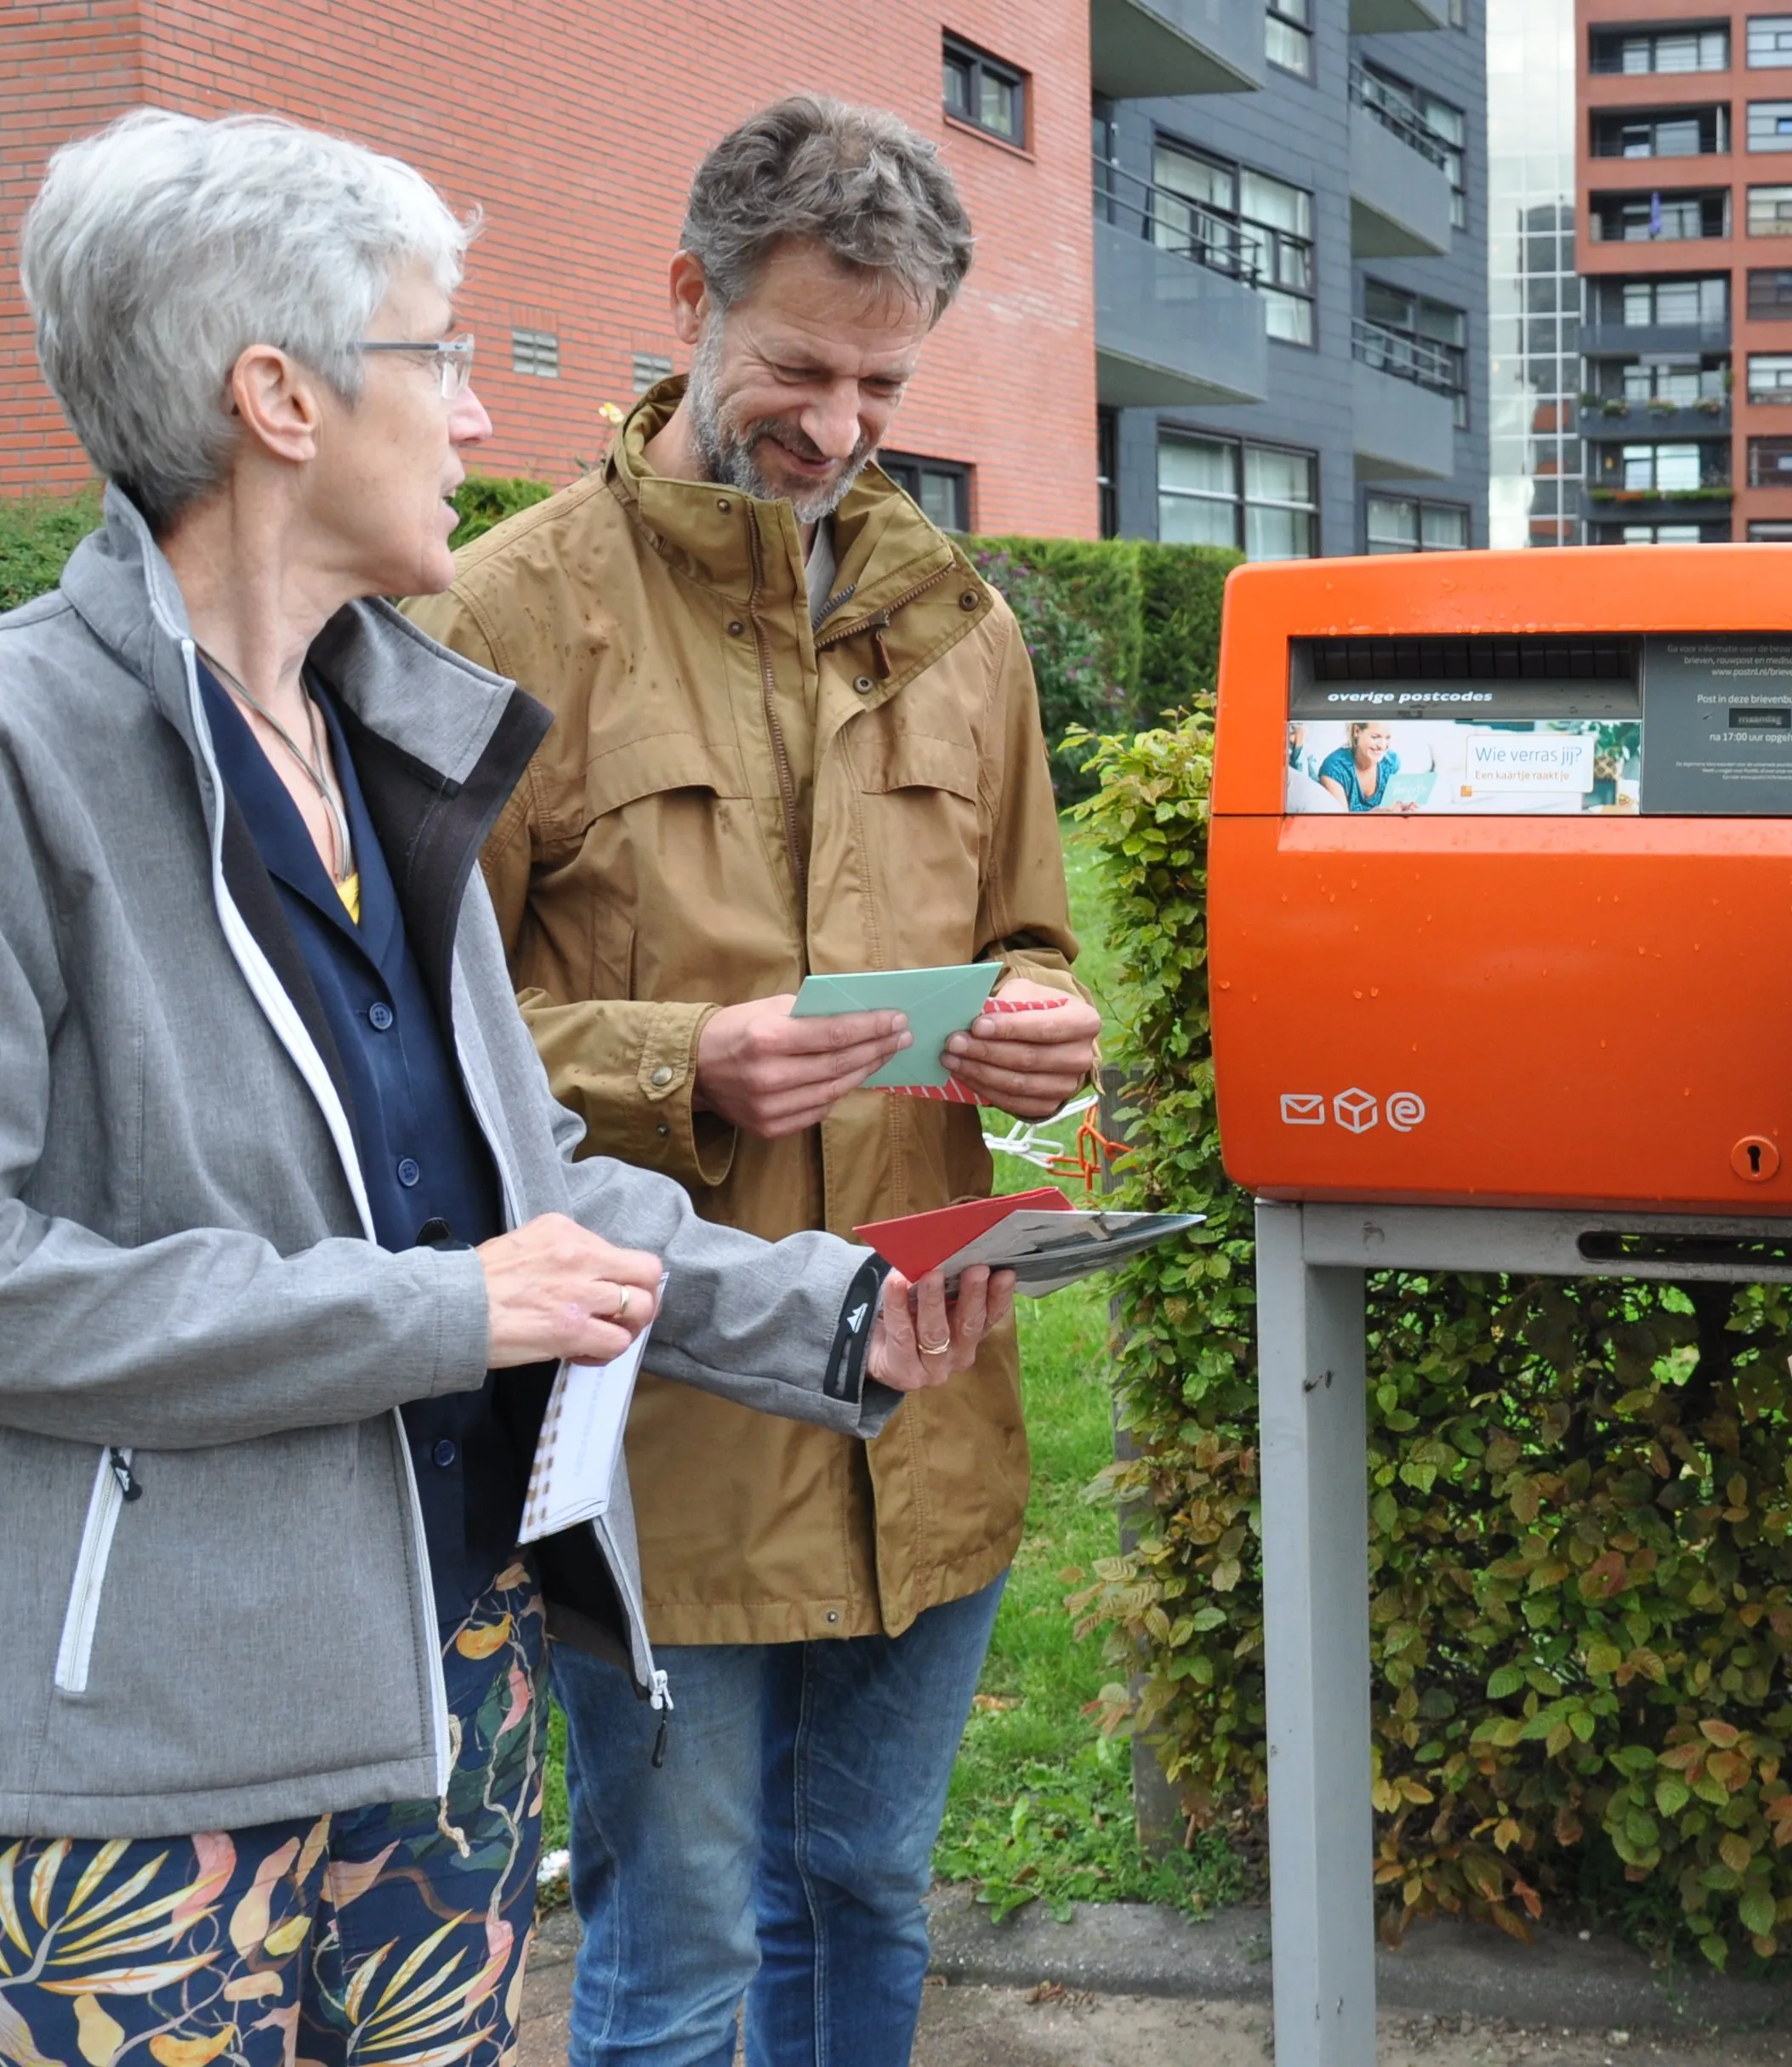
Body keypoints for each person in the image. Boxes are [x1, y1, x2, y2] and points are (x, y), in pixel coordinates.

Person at [0, 109, 1002, 2063]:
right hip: (158, 1760)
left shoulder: (395, 746)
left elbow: (523, 1195)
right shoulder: (26, 753)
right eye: (438, 354)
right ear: (278, 398)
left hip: (459, 1700)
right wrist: (437, 1313)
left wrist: (838, 1309)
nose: (477, 417)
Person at [406, 99, 1098, 2066]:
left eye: (887, 381)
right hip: (656, 1437)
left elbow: (1038, 962)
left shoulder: (963, 627)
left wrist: (1050, 1059)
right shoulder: (500, 620)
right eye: (799, 368)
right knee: (686, 1934)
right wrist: (680, 1066)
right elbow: (392, 1066)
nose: (843, 424)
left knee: (874, 1888)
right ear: (689, 295)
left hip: (931, 1414)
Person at [1317, 719, 1405, 811]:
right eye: (1375, 737)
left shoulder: (1391, 762)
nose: (1382, 746)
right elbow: (1340, 823)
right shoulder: (1334, 768)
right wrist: (1376, 814)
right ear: (1357, 731)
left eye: (1388, 738)